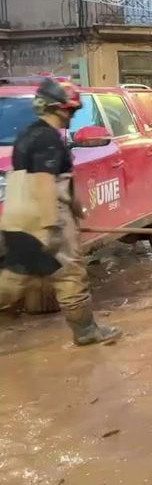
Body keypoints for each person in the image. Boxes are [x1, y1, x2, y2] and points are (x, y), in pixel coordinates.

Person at [0, 79, 121, 345]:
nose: (72, 115)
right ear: (58, 109)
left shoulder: (27, 134)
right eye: (71, 111)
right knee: (70, 276)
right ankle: (86, 331)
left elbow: (64, 182)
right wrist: (52, 226)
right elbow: (45, 181)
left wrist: (79, 211)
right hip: (43, 218)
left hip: (17, 219)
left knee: (14, 277)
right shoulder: (48, 140)